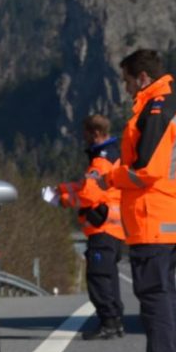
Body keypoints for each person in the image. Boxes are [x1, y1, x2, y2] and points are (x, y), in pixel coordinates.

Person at [90, 49, 176, 352]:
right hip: (171, 213)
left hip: (151, 217)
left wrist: (109, 179)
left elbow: (145, 170)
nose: (125, 88)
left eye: (127, 81)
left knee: (153, 296)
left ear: (143, 78)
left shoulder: (155, 111)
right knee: (166, 296)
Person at [44, 114, 126, 340]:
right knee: (108, 275)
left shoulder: (100, 161)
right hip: (114, 228)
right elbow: (85, 185)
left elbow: (88, 194)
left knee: (98, 276)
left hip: (102, 226)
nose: (84, 139)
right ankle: (115, 321)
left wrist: (61, 200)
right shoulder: (114, 155)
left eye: (86, 134)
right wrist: (61, 189)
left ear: (96, 134)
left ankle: (108, 321)